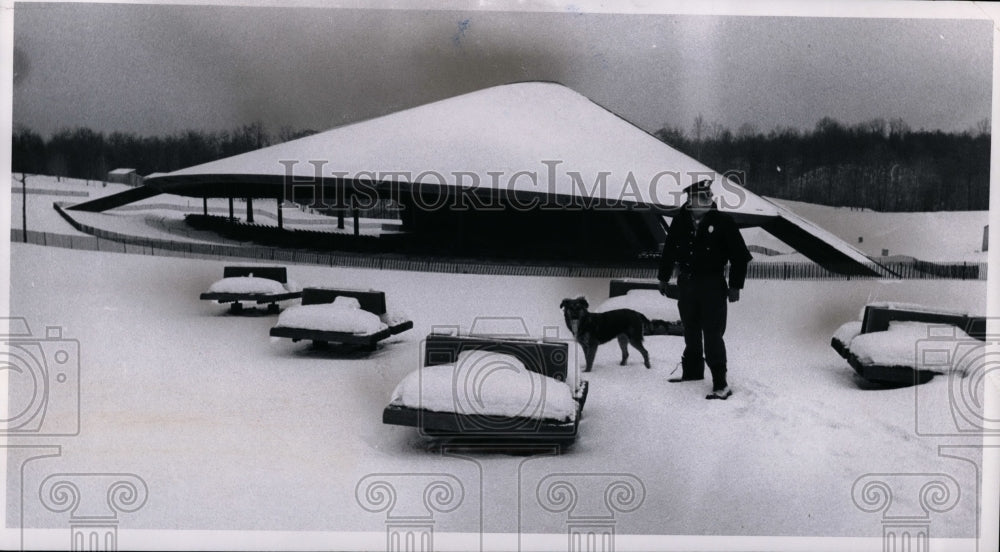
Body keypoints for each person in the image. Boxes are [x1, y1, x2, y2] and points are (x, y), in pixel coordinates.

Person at [657, 179, 752, 400]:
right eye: (701, 196)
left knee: (712, 333)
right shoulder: (680, 221)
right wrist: (663, 278)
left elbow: (740, 257)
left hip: (712, 286)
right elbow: (669, 251)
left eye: (708, 195)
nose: (707, 199)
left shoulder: (723, 222)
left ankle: (721, 383)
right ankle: (692, 373)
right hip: (687, 285)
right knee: (690, 329)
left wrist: (735, 286)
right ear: (689, 201)